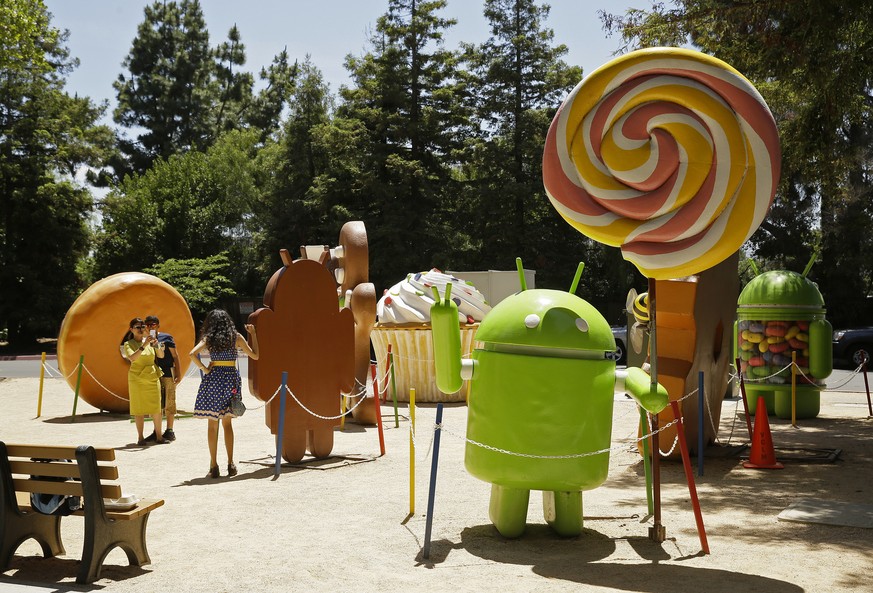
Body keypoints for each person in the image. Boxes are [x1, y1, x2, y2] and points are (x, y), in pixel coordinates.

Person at [189, 309, 259, 478]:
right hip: (230, 380)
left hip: (213, 379)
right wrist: (254, 334)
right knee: (228, 424)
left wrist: (205, 369)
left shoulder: (209, 338)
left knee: (212, 424)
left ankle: (213, 465)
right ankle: (231, 463)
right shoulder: (236, 337)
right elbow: (255, 356)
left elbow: (192, 354)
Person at [123, 317, 167, 445]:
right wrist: (144, 345)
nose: (141, 329)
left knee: (156, 407)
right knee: (139, 408)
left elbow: (161, 355)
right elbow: (132, 358)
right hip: (137, 378)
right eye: (137, 327)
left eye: (143, 327)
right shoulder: (128, 344)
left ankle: (159, 436)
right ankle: (140, 437)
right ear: (131, 329)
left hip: (152, 376)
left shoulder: (149, 341)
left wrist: (155, 343)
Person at [145, 315, 181, 441]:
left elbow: (175, 356)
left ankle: (170, 429)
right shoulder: (145, 340)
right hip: (153, 373)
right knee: (156, 403)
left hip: (167, 372)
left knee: (170, 401)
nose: (150, 326)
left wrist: (178, 373)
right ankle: (157, 431)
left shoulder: (166, 337)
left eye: (153, 324)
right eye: (148, 324)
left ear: (158, 325)